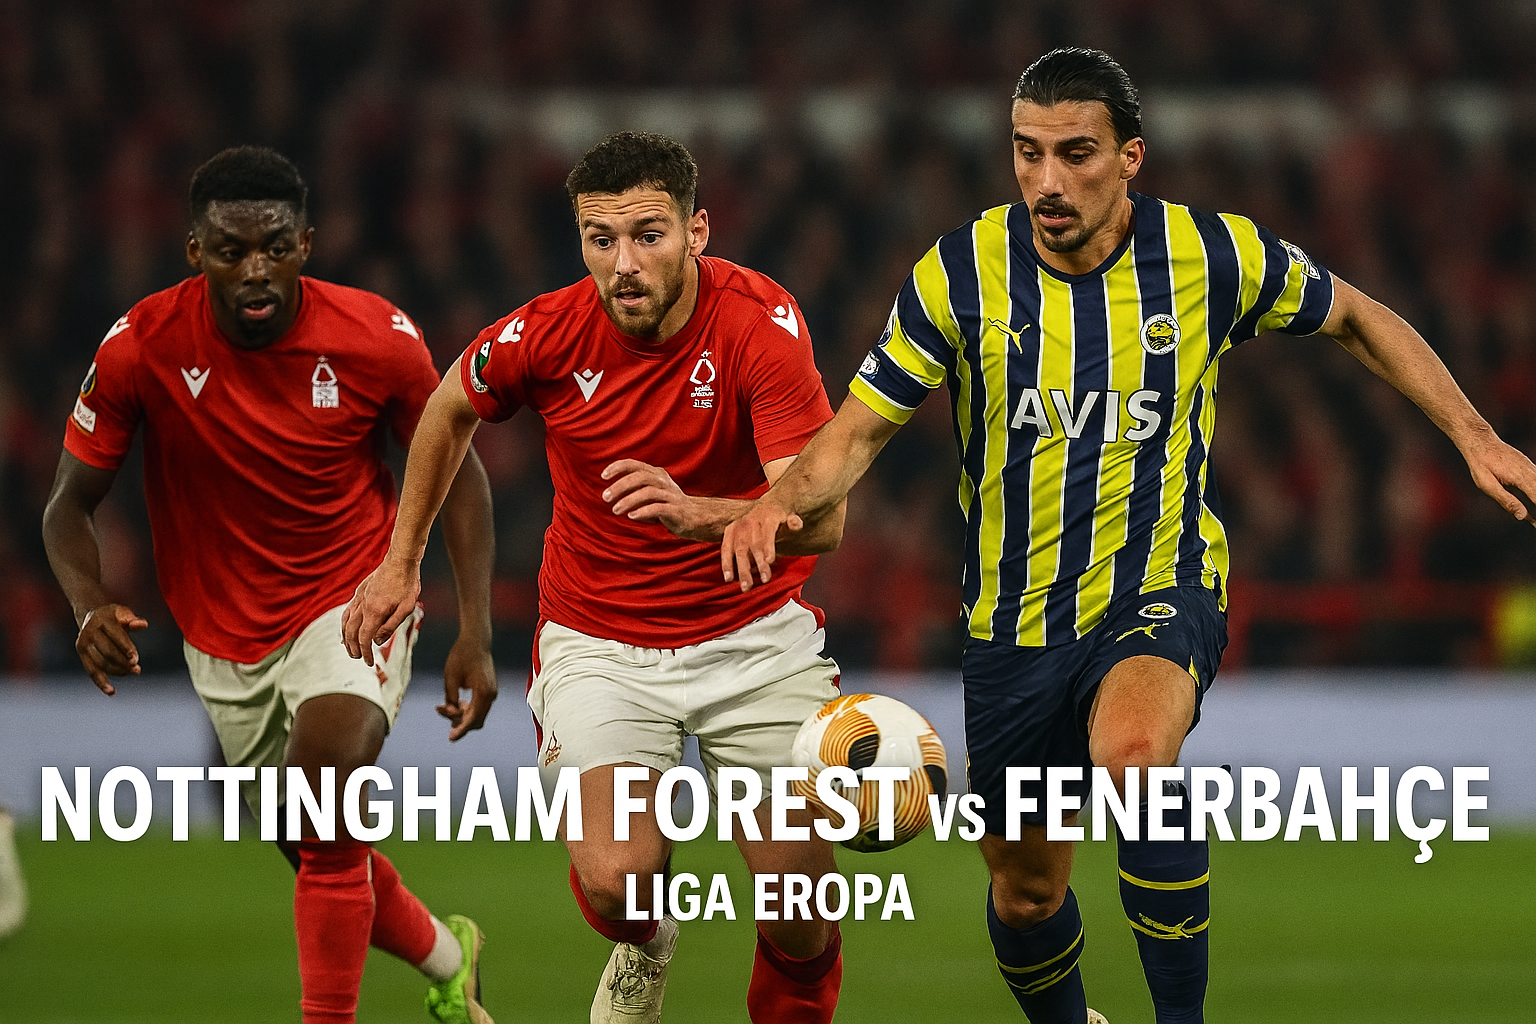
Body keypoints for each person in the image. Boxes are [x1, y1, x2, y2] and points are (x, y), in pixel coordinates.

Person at [723, 48, 1536, 1024]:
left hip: (1159, 584)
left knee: (1137, 766)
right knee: (1026, 892)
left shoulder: (1210, 253)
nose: (1046, 180)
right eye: (1027, 152)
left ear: (1130, 157)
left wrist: (1475, 435)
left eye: (1075, 153)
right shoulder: (960, 271)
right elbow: (856, 433)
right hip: (1013, 625)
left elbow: (1356, 318)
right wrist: (770, 506)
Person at [341, 131, 847, 1024]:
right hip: (600, 642)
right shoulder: (545, 332)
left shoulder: (759, 323)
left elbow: (824, 521)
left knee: (800, 911)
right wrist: (401, 560)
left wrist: (698, 513)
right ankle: (646, 943)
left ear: (697, 231)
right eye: (600, 239)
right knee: (618, 884)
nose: (623, 264)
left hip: (754, 635)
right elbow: (448, 407)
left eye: (648, 235)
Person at [41, 146, 500, 1024]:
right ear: (195, 252)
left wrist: (474, 628)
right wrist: (87, 600)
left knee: (323, 794)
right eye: (231, 250)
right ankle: (452, 959)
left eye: (275, 247)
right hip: (222, 637)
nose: (255, 269)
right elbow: (69, 503)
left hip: (353, 600)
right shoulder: (142, 345)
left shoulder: (375, 336)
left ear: (306, 246)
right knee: (318, 845)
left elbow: (462, 469)